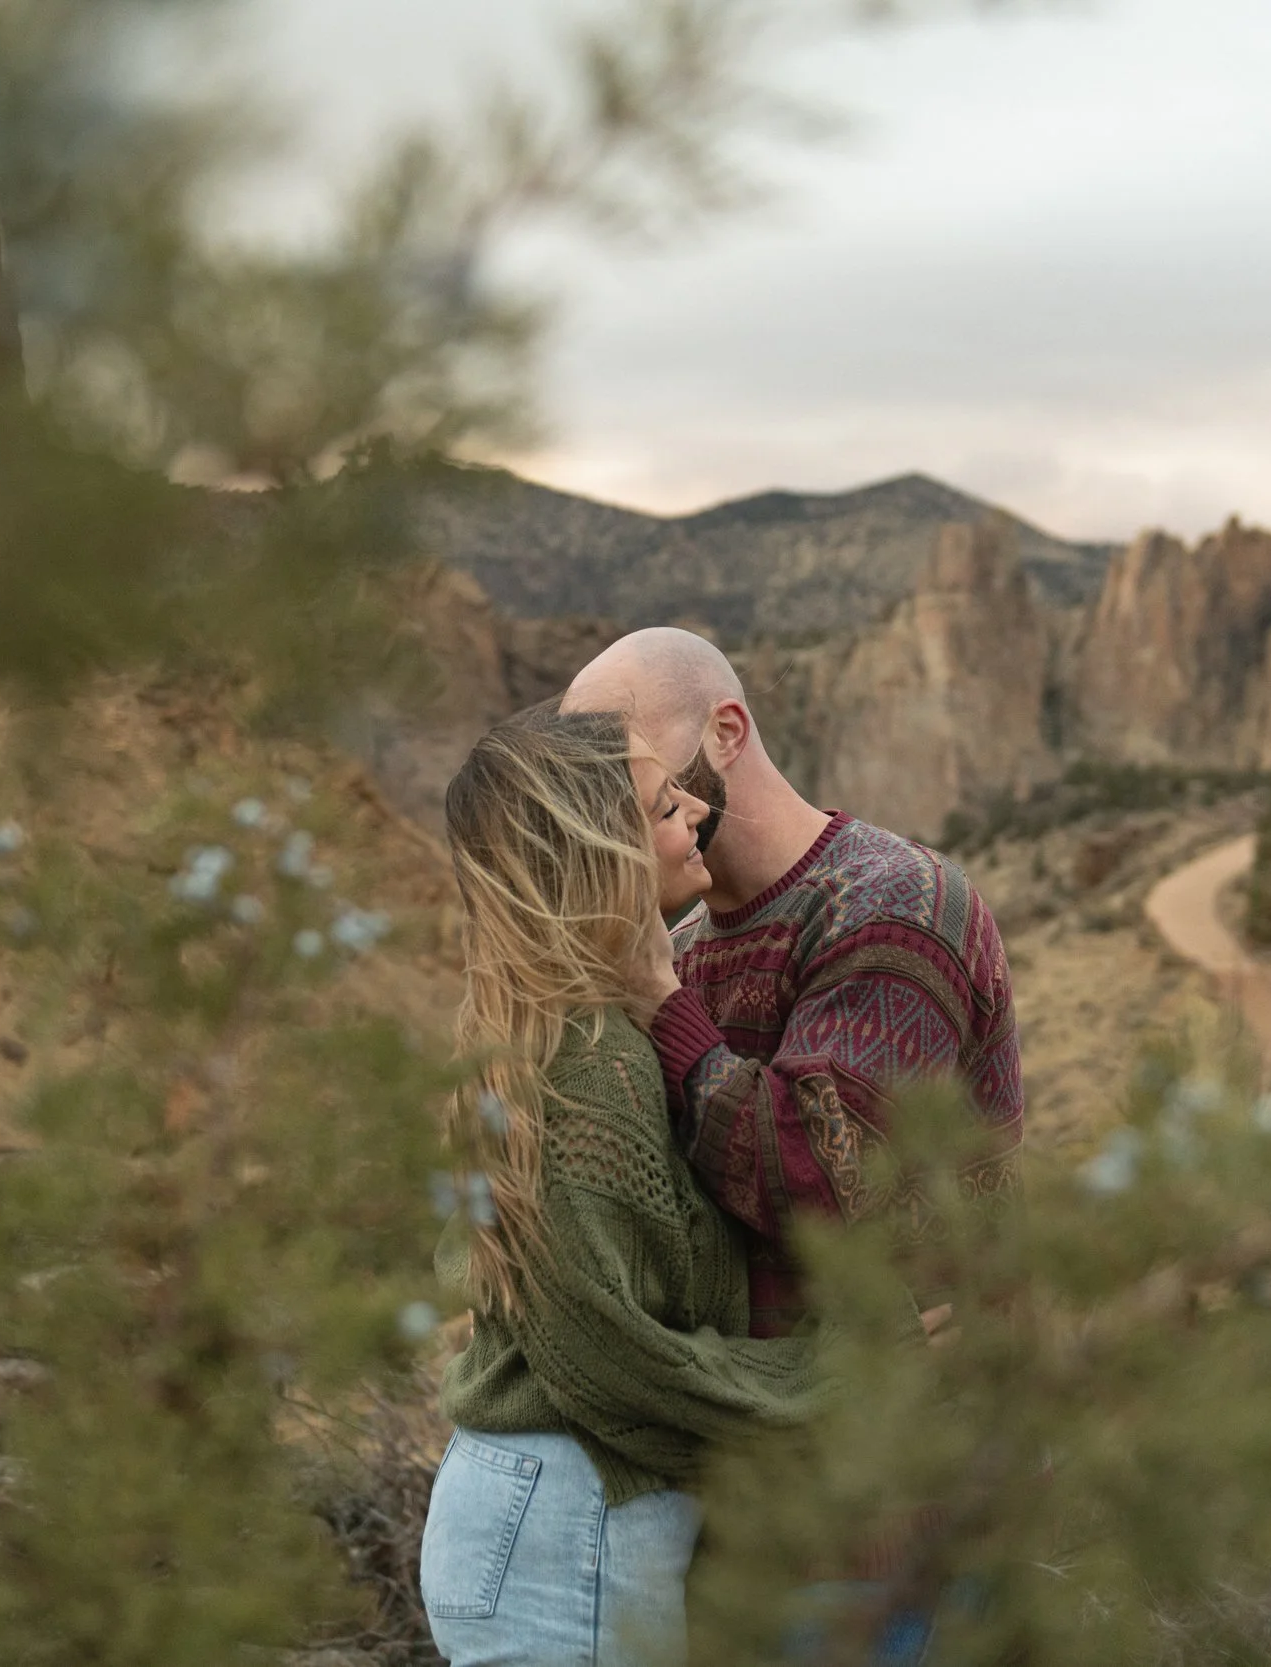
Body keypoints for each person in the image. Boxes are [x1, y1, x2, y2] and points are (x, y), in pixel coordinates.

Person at [420, 704, 821, 1667]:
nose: (695, 814)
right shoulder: (585, 1060)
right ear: (593, 850)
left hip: (553, 1517)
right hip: (567, 1531)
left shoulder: (566, 1029)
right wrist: (840, 1373)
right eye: (659, 805)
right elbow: (616, 1353)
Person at [562, 627, 1023, 1339]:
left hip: (930, 1425)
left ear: (725, 732)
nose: (598, 795)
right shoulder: (673, 949)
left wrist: (661, 1003)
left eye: (621, 756)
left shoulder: (895, 904)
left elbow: (825, 1187)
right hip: (764, 1423)